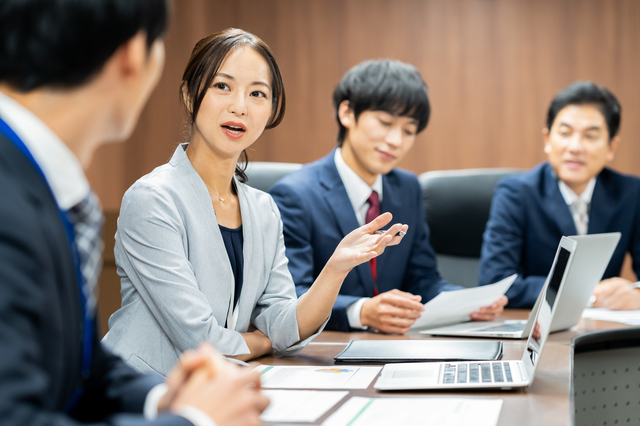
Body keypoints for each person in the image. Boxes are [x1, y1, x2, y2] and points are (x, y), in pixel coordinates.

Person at [0, 1, 271, 425]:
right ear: (132, 55)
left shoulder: (36, 179)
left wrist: (161, 399)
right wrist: (193, 420)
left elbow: (82, 369)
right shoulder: (11, 200)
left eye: (257, 93)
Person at [103, 29, 406, 371]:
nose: (239, 107)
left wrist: (336, 268)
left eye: (257, 93)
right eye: (222, 86)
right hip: (139, 394)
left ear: (272, 109)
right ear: (190, 96)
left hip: (218, 392)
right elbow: (204, 342)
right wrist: (263, 341)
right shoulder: (153, 200)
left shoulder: (263, 209)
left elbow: (283, 326)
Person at [269, 59, 507, 334]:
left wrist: (468, 302)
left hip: (397, 345)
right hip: (326, 349)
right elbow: (292, 293)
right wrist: (361, 312)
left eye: (408, 130)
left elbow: (423, 278)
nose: (396, 140)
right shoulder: (295, 195)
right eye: (385, 122)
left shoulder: (408, 188)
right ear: (347, 113)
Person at [479, 81, 640, 309]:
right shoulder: (516, 193)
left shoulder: (631, 193)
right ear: (547, 139)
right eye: (565, 133)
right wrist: (587, 296)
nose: (575, 147)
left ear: (611, 147)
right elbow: (496, 282)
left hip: (601, 332)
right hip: (534, 327)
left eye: (590, 136)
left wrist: (636, 294)